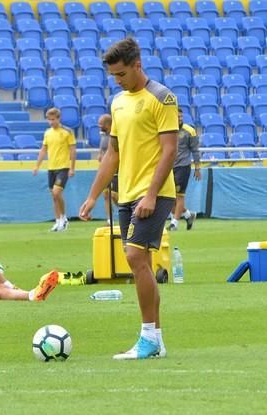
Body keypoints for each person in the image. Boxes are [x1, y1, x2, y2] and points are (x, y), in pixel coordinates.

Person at [78, 38, 178, 360]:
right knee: (141, 264)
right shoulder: (118, 103)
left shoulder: (162, 98)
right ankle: (157, 341)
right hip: (128, 194)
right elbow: (113, 154)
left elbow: (170, 150)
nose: (117, 80)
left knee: (135, 258)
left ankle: (147, 336)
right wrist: (93, 196)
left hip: (155, 193)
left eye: (121, 74)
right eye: (113, 76)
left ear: (137, 65)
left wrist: (150, 194)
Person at [33, 107, 76, 232]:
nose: (51, 122)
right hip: (51, 167)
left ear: (58, 118)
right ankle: (58, 221)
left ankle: (64, 218)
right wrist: (37, 165)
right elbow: (43, 150)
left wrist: (72, 167)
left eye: (53, 119)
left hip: (63, 167)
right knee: (54, 196)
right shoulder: (47, 133)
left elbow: (73, 150)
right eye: (49, 120)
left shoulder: (67, 132)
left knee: (57, 193)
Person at [168, 108, 200, 231]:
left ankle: (174, 223)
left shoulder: (189, 131)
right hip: (168, 166)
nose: (180, 119)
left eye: (181, 117)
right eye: (177, 117)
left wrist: (197, 168)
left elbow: (195, 151)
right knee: (169, 197)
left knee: (179, 195)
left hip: (183, 167)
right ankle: (188, 215)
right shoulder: (166, 130)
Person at [98, 114, 119, 224]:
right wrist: (100, 155)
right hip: (105, 170)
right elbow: (102, 150)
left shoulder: (115, 136)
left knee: (114, 195)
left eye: (101, 124)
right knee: (106, 195)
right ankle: (109, 220)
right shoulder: (104, 136)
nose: (99, 126)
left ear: (108, 124)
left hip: (115, 171)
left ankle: (128, 209)